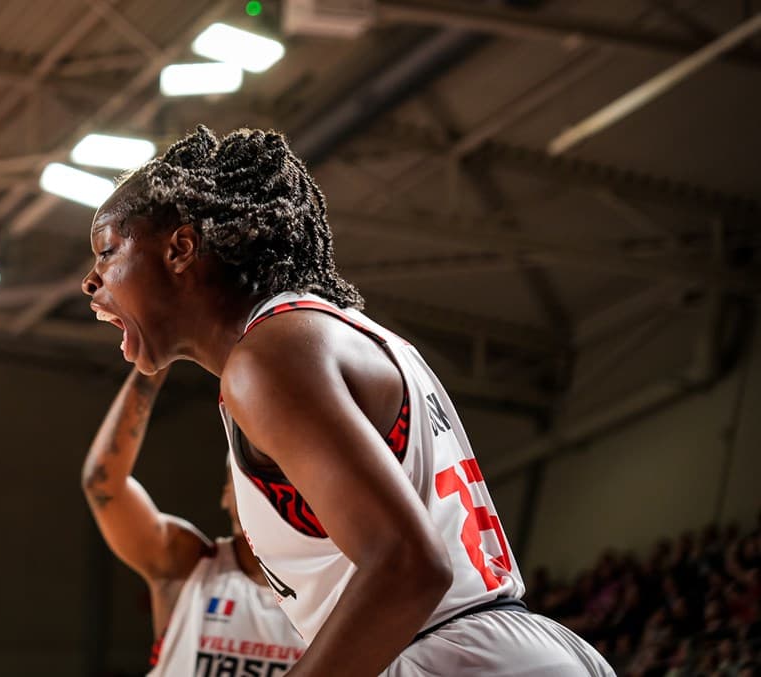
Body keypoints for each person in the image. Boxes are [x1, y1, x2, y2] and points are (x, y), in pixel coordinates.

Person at [81, 125, 614, 676]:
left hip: (454, 656)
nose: (90, 281)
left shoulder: (269, 358)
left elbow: (408, 564)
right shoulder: (322, 336)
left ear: (181, 249)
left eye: (107, 251)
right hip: (503, 647)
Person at [81, 365, 305, 676]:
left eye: (275, 480)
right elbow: (102, 484)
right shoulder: (188, 563)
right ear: (226, 494)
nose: (260, 493)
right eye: (246, 481)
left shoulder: (332, 589)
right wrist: (150, 367)